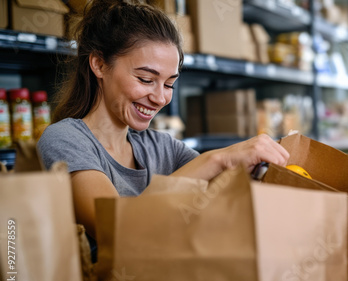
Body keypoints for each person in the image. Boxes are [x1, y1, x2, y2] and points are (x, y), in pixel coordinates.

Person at [37, 0, 289, 249]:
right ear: (99, 64)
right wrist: (216, 159)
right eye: (146, 79)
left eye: (169, 84)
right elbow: (116, 228)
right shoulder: (64, 139)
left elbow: (227, 198)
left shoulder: (163, 148)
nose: (160, 98)